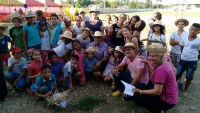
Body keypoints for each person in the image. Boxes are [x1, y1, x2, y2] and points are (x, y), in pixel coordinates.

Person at [129, 42, 178, 113]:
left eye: (153, 56)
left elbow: (157, 91)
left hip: (167, 101)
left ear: (160, 56)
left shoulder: (161, 70)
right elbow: (154, 74)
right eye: (150, 55)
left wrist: (140, 91)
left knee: (136, 96)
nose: (149, 58)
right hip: (172, 97)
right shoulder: (164, 63)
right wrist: (147, 62)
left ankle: (158, 109)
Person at [176, 23, 200, 91]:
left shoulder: (198, 41)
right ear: (189, 29)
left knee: (189, 77)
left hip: (192, 62)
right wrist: (184, 55)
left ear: (198, 32)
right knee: (177, 74)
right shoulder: (184, 38)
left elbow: (199, 51)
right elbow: (182, 47)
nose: (193, 31)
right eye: (191, 29)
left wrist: (196, 60)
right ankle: (174, 85)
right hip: (183, 60)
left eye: (195, 30)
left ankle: (185, 88)